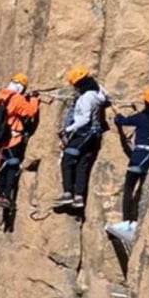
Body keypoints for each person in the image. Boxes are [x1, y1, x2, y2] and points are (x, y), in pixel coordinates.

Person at [105, 87, 149, 244]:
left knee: (129, 189)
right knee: (143, 191)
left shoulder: (142, 117)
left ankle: (127, 223)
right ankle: (140, 222)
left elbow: (122, 121)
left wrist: (117, 115)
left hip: (138, 157)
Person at [54, 66, 109, 213]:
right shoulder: (98, 95)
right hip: (93, 136)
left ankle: (67, 193)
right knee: (82, 165)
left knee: (67, 160)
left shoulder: (86, 98)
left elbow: (84, 119)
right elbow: (105, 94)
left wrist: (67, 129)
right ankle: (78, 196)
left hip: (83, 134)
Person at [0, 74, 40, 210]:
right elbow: (30, 112)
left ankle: (0, 194)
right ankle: (7, 195)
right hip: (13, 138)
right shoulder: (17, 98)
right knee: (12, 166)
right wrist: (34, 99)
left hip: (0, 139)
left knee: (2, 166)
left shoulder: (0, 96)